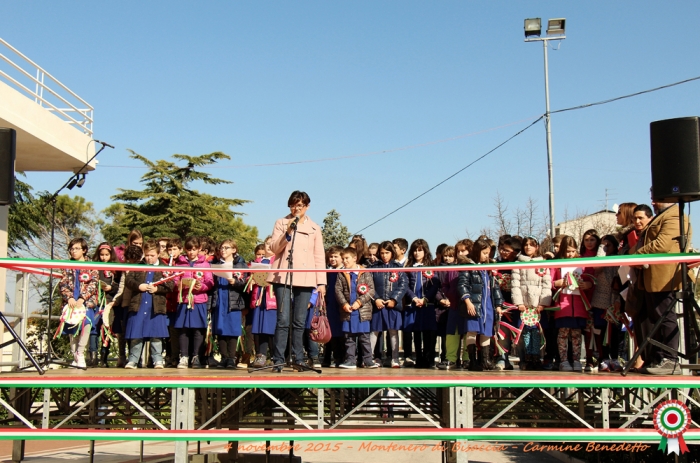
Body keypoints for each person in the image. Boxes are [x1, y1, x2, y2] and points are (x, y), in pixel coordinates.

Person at [267, 191, 327, 372]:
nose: (296, 208)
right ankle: (278, 359)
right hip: (283, 274)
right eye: (293, 205)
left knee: (300, 321)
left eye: (300, 205)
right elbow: (273, 248)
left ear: (307, 206)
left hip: (306, 276)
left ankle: (299, 359)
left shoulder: (315, 228)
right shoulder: (281, 223)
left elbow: (319, 255)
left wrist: (321, 282)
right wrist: (288, 232)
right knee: (283, 319)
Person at [632, 197, 692, 375]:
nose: (653, 200)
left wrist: (637, 254)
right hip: (652, 278)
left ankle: (670, 359)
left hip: (666, 277)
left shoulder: (675, 215)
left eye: (656, 196)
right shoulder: (663, 216)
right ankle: (658, 358)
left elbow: (663, 244)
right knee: (655, 318)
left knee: (666, 316)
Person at [124, 240, 174, 369]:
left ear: (158, 253)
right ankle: (133, 360)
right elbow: (129, 281)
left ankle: (157, 360)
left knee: (156, 335)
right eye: (146, 255)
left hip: (156, 307)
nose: (149, 258)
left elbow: (170, 285)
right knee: (136, 335)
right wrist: (138, 285)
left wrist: (158, 289)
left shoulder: (164, 268)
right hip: (139, 305)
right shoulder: (139, 266)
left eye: (152, 255)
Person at [457, 239, 504, 371]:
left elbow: (495, 287)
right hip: (474, 304)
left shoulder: (488, 268)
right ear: (478, 251)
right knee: (472, 331)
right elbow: (462, 285)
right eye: (484, 253)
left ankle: (485, 361)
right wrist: (468, 302)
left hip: (487, 304)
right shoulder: (468, 266)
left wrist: (498, 304)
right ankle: (472, 361)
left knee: (486, 333)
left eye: (488, 253)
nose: (486, 256)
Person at [551, 236, 594, 372]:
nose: (570, 254)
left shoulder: (582, 262)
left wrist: (587, 284)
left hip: (579, 305)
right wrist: (559, 283)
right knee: (563, 332)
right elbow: (550, 282)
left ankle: (576, 360)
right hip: (563, 304)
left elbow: (590, 280)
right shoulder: (556, 264)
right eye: (567, 251)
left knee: (576, 333)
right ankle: (563, 360)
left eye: (573, 251)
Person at [510, 236, 552, 370]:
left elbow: (547, 284)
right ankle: (526, 358)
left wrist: (543, 303)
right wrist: (519, 303)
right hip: (524, 306)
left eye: (531, 244)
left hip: (537, 306)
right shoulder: (518, 263)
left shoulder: (542, 263)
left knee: (537, 333)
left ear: (537, 247)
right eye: (526, 245)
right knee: (525, 333)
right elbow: (515, 285)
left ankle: (537, 358)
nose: (528, 247)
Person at [174, 236, 214, 369]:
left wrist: (201, 287)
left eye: (194, 249)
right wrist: (180, 285)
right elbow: (175, 280)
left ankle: (196, 356)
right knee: (183, 329)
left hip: (199, 301)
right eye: (189, 249)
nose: (191, 252)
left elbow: (209, 282)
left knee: (198, 330)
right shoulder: (179, 263)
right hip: (184, 300)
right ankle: (184, 356)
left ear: (199, 249)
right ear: (185, 249)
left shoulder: (205, 264)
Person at [58, 238, 99, 368]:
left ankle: (81, 353)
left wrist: (83, 298)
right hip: (70, 303)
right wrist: (69, 297)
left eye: (76, 248)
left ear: (84, 250)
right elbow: (63, 283)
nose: (73, 251)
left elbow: (93, 283)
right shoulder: (67, 266)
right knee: (72, 330)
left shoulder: (91, 266)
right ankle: (74, 355)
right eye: (71, 249)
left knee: (86, 326)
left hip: (86, 302)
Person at [336, 247, 378, 369]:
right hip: (347, 311)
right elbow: (338, 290)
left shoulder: (365, 272)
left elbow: (371, 290)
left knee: (364, 337)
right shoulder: (341, 273)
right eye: (343, 259)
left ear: (355, 258)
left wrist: (359, 302)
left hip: (362, 312)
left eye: (347, 258)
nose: (344, 261)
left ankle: (368, 360)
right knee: (349, 338)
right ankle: (350, 360)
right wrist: (344, 304)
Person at [369, 241, 408, 368]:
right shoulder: (374, 267)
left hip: (393, 305)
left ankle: (395, 359)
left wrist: (394, 299)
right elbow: (368, 285)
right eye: (382, 253)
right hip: (378, 305)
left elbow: (403, 285)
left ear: (392, 252)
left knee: (393, 331)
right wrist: (376, 299)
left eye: (387, 252)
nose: (384, 255)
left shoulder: (398, 267)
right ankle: (369, 359)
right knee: (375, 331)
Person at [210, 239, 248, 369]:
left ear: (234, 250)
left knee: (232, 329)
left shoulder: (240, 265)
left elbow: (245, 284)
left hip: (233, 300)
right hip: (220, 298)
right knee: (219, 328)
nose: (223, 250)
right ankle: (224, 357)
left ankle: (231, 358)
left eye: (226, 248)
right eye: (221, 248)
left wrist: (235, 282)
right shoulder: (215, 264)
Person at [405, 239, 440, 368]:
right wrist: (414, 298)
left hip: (427, 304)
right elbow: (406, 286)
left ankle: (428, 358)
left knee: (428, 332)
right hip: (414, 304)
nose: (417, 253)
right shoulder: (409, 268)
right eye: (414, 250)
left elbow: (435, 284)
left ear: (425, 251)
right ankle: (418, 358)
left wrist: (425, 299)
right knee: (416, 332)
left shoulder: (431, 266)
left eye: (420, 250)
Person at [91, 242, 122, 367]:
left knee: (106, 329)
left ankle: (104, 357)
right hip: (96, 302)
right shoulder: (94, 268)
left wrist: (111, 288)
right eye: (101, 255)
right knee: (94, 328)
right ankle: (92, 356)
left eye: (106, 255)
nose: (104, 257)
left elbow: (120, 285)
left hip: (108, 303)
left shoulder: (116, 269)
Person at [250, 244, 278, 367]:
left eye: (272, 244)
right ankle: (261, 355)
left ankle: (275, 356)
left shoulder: (278, 261)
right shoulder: (258, 262)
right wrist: (251, 279)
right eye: (267, 244)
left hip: (273, 299)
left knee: (273, 329)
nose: (269, 247)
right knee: (261, 328)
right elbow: (250, 278)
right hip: (260, 299)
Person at [322, 245, 346, 368]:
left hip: (340, 306)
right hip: (330, 305)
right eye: (331, 256)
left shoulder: (344, 271)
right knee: (329, 332)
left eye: (336, 256)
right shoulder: (328, 271)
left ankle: (341, 357)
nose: (333, 259)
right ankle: (328, 357)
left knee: (340, 333)